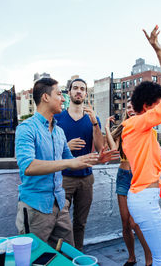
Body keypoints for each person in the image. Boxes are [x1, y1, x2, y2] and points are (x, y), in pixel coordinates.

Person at [15, 77, 118, 248]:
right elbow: (28, 166)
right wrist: (69, 163)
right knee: (34, 256)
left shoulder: (59, 132)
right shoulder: (26, 128)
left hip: (59, 205)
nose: (63, 98)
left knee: (68, 253)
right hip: (36, 206)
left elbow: (73, 161)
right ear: (46, 97)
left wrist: (98, 159)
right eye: (59, 94)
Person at [121, 25, 161, 266]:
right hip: (143, 201)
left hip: (148, 196)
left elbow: (146, 171)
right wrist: (159, 51)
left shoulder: (143, 129)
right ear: (147, 106)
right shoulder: (136, 124)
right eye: (158, 105)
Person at [54, 78, 104, 251]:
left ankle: (77, 256)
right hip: (63, 178)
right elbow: (49, 148)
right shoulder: (58, 117)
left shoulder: (92, 118)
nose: (79, 91)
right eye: (75, 88)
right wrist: (65, 147)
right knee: (61, 223)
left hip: (86, 178)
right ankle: (61, 257)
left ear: (86, 94)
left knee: (80, 224)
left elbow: (100, 148)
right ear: (69, 92)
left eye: (82, 89)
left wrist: (95, 123)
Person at [105, 101, 153, 266]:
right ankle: (132, 257)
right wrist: (106, 128)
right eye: (128, 107)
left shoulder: (145, 127)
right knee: (125, 223)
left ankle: (149, 257)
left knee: (135, 222)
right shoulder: (123, 128)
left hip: (138, 177)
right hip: (123, 176)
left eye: (134, 106)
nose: (131, 109)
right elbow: (113, 150)